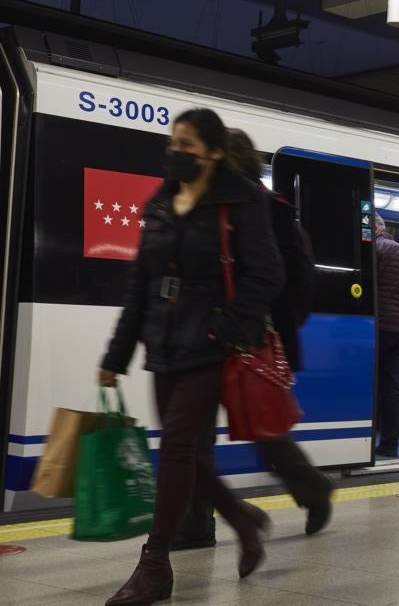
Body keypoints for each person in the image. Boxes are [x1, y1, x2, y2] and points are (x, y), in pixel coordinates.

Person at [97, 109, 284, 605]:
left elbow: (267, 276)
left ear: (214, 151)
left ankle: (154, 565)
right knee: (191, 455)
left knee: (177, 449)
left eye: (186, 144)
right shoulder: (160, 201)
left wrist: (222, 331)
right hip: (162, 344)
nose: (175, 151)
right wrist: (116, 354)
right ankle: (243, 519)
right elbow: (140, 284)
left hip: (209, 347)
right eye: (172, 142)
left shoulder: (240, 200)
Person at [171, 129, 334, 552]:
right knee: (193, 434)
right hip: (203, 337)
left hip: (249, 337)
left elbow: (297, 273)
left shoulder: (269, 207)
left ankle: (314, 489)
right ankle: (193, 527)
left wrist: (277, 322)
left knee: (266, 433)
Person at [374, 213, 399, 457]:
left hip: (378, 326)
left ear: (375, 228)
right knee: (391, 387)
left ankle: (365, 441)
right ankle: (390, 444)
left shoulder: (375, 249)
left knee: (371, 385)